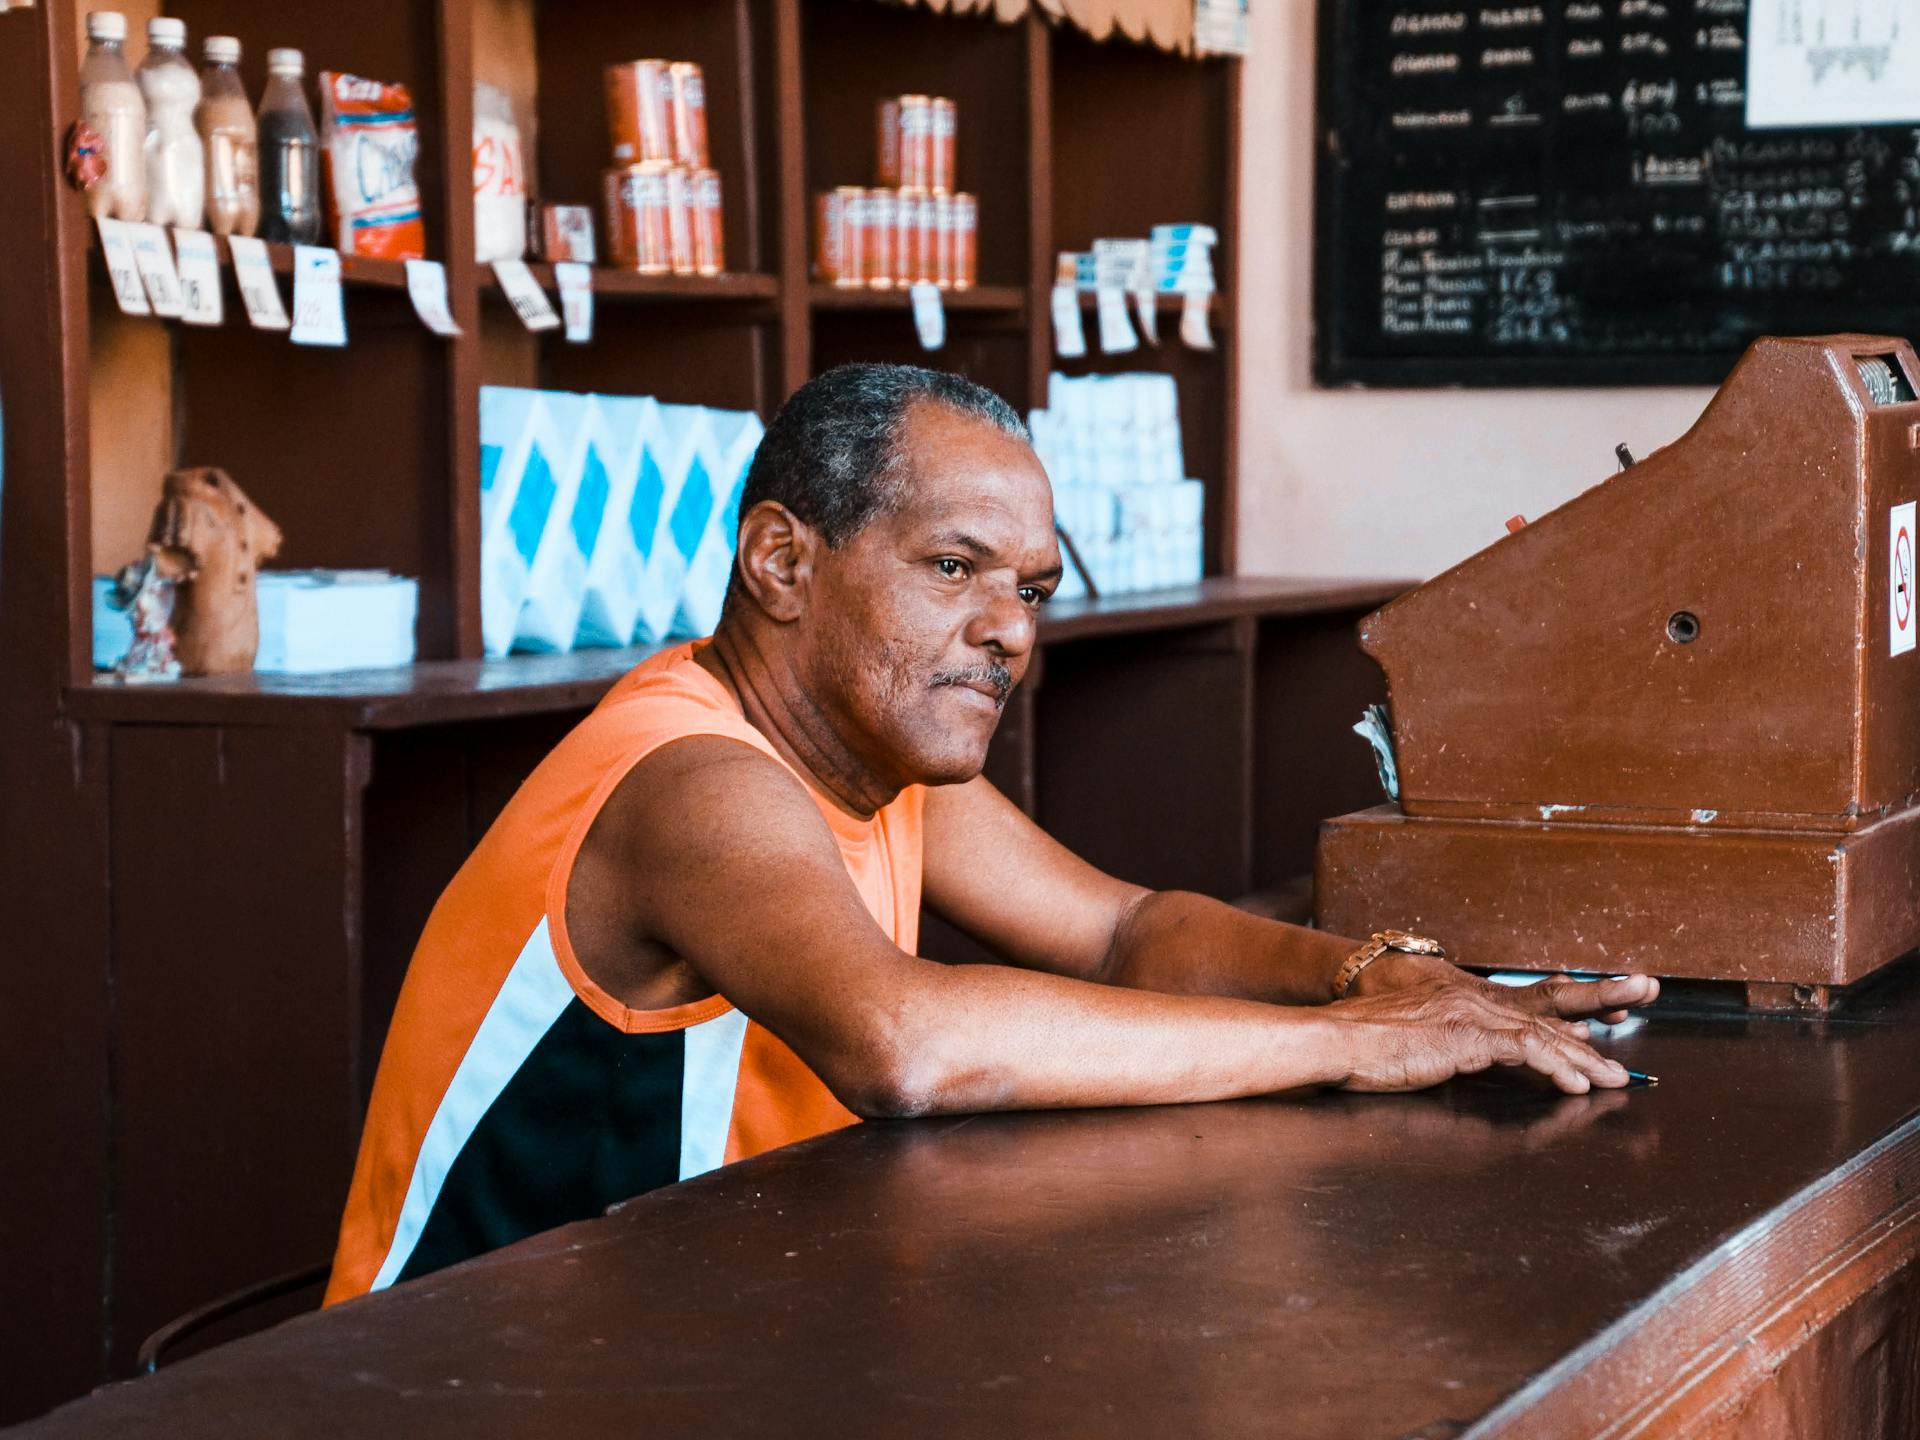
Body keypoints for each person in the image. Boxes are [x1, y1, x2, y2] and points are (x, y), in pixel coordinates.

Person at [325, 364, 1658, 1303]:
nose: (1010, 628)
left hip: (702, 1327)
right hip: (464, 1379)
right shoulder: (694, 781)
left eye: (1030, 588)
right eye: (952, 568)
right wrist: (1347, 1049)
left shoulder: (875, 761)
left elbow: (1126, 929)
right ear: (782, 563)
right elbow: (905, 1043)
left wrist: (1386, 980)